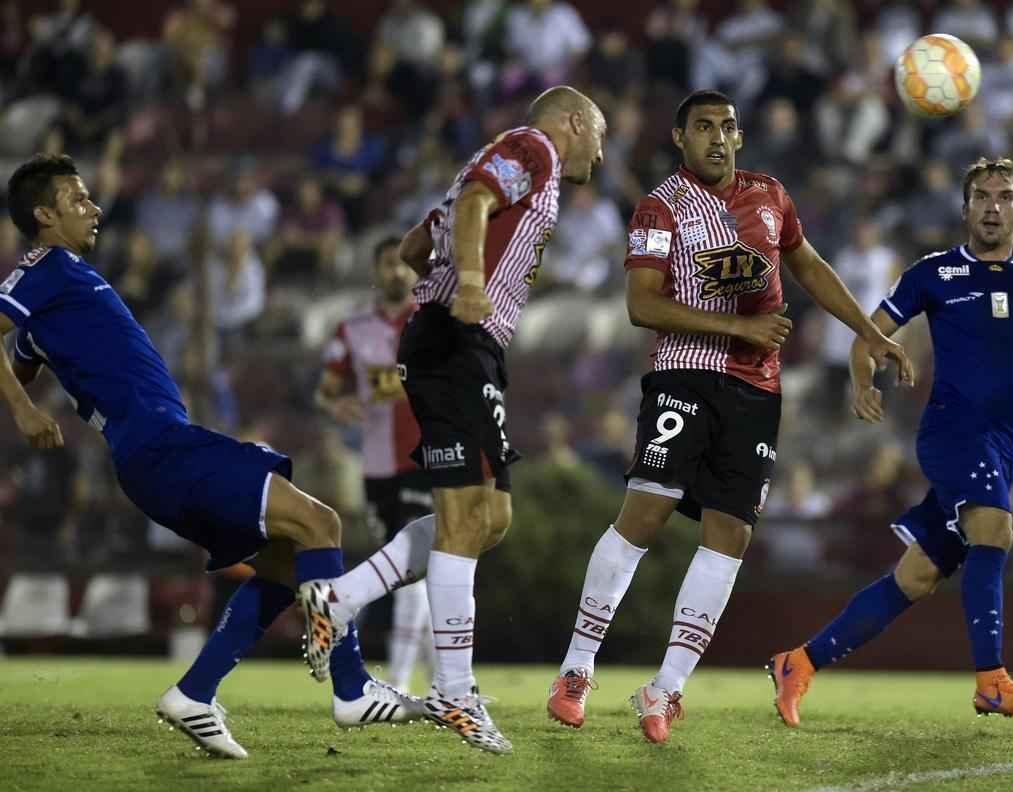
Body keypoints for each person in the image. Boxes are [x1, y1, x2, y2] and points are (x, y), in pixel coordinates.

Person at [0, 154, 422, 761]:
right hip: (161, 447)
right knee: (320, 523)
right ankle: (352, 689)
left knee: (285, 563)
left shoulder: (52, 301)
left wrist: (25, 385)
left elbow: (22, 354)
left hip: (150, 457)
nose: (94, 208)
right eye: (79, 198)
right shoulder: (45, 269)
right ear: (44, 215)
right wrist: (24, 411)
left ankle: (194, 693)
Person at [543, 90, 913, 744]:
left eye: (728, 127)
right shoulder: (662, 206)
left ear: (739, 136)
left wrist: (869, 331)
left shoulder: (770, 196)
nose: (718, 137)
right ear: (680, 138)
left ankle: (665, 689)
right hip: (684, 372)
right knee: (646, 512)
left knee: (731, 534)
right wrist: (739, 326)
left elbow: (808, 264)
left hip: (756, 391)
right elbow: (641, 305)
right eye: (704, 127)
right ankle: (576, 670)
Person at [302, 85, 607, 755]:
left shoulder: (502, 157)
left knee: (491, 518)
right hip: (456, 340)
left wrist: (450, 274)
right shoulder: (534, 148)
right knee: (467, 518)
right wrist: (467, 283)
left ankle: (340, 599)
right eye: (599, 134)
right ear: (573, 122)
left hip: (467, 344)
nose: (602, 152)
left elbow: (417, 245)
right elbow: (473, 202)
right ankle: (453, 690)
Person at [768, 158, 1013, 723]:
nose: (992, 207)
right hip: (953, 431)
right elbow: (867, 337)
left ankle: (798, 663)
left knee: (917, 576)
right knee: (995, 528)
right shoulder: (934, 273)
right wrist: (862, 381)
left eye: (1004, 197)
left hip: (1003, 444)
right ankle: (992, 681)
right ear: (965, 209)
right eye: (981, 197)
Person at [315, 235, 433, 693]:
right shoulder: (352, 330)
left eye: (403, 264)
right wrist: (335, 405)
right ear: (375, 272)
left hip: (426, 455)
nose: (397, 272)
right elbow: (325, 391)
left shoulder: (430, 320)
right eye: (388, 264)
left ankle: (400, 681)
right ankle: (445, 682)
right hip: (377, 463)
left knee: (411, 570)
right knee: (409, 573)